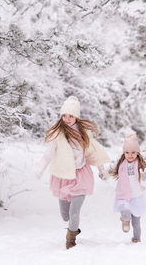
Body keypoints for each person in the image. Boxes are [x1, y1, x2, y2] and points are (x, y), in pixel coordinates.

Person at [35, 96, 109, 249]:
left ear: (76, 117)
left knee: (74, 213)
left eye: (71, 115)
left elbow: (93, 153)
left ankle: (70, 240)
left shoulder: (84, 134)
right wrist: (40, 169)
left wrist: (102, 170)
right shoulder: (57, 135)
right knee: (65, 216)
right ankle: (72, 228)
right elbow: (48, 155)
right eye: (64, 115)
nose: (67, 119)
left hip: (81, 177)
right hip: (63, 177)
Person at [105, 131, 146, 243]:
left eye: (133, 152)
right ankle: (125, 219)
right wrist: (104, 174)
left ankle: (137, 239)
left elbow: (145, 178)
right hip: (123, 194)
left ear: (137, 153)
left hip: (136, 195)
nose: (130, 155)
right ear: (124, 153)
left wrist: (143, 173)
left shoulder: (139, 164)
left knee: (136, 221)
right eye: (127, 152)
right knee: (124, 209)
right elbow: (110, 170)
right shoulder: (120, 163)